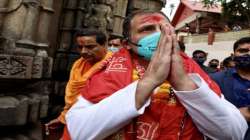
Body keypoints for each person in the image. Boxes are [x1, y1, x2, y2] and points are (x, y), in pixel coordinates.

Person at [65, 10, 247, 140]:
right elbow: (79, 132)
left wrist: (184, 84)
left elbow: (233, 133)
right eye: (147, 29)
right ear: (127, 43)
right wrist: (148, 83)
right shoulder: (109, 73)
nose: (160, 35)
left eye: (165, 28)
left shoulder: (194, 74)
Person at [45, 28, 112, 137]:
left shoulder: (116, 67)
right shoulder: (78, 65)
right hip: (74, 121)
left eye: (90, 47)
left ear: (104, 45)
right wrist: (63, 117)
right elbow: (72, 99)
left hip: (99, 125)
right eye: (80, 47)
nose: (83, 52)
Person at [210, 37, 250, 139]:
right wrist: (237, 114)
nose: (248, 54)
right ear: (233, 56)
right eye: (243, 51)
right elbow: (208, 111)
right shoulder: (215, 79)